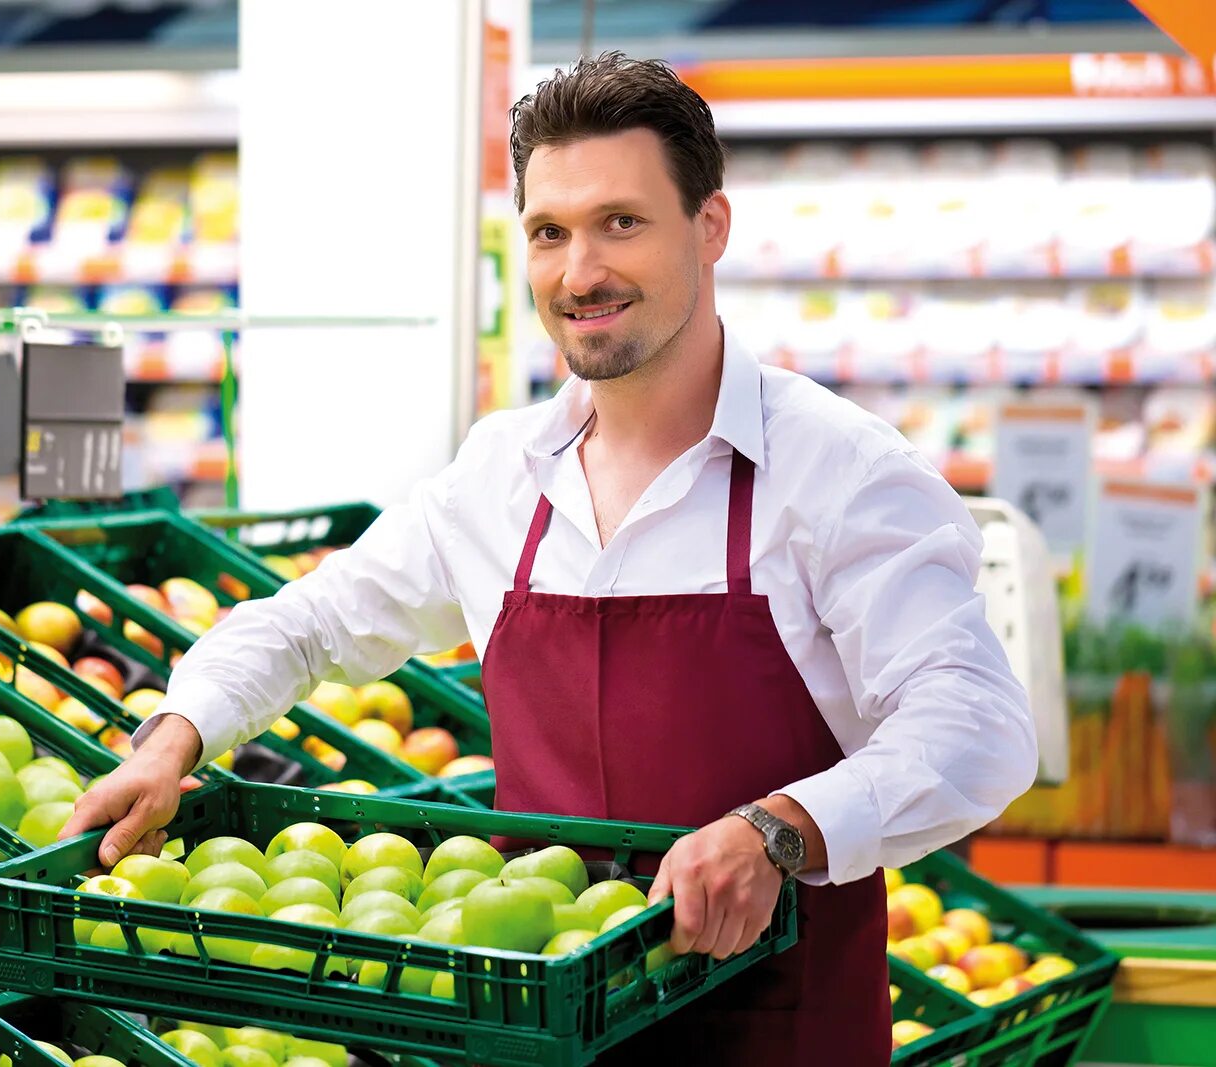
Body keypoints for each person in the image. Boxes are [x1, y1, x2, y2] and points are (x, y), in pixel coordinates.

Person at [61, 52, 1037, 1061]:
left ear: (709, 227)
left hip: (773, 1029)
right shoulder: (502, 473)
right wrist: (177, 733)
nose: (581, 273)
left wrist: (780, 828)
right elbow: (313, 620)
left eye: (622, 222)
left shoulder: (838, 470)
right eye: (549, 232)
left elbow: (975, 726)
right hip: (543, 1032)